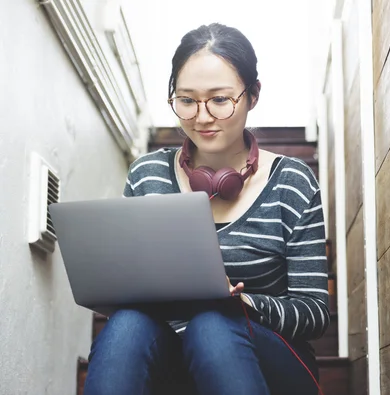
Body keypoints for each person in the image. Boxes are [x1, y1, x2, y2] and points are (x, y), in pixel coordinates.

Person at [82, 23, 330, 395]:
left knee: (212, 323)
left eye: (219, 99)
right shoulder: (147, 175)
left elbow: (314, 313)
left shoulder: (293, 182)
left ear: (253, 95)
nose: (201, 117)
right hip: (171, 357)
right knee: (127, 325)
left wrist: (244, 303)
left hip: (269, 360)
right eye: (186, 100)